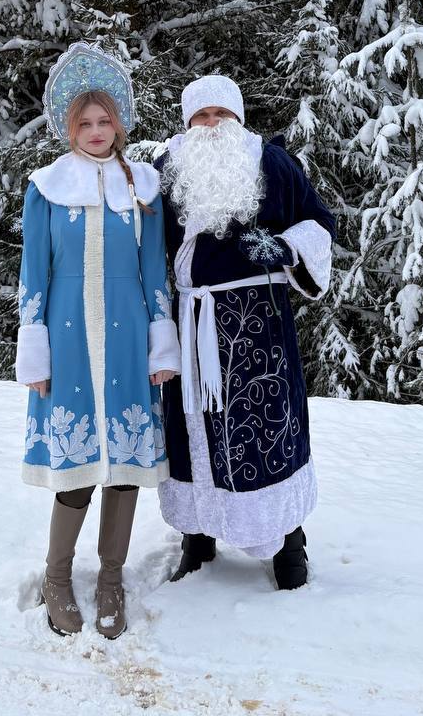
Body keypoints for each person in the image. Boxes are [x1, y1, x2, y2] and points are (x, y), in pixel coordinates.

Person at [15, 42, 179, 638]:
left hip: (129, 335)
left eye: (103, 120)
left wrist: (162, 345)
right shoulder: (46, 188)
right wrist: (34, 352)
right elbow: (33, 275)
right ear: (69, 128)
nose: (95, 131)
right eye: (84, 123)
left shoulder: (145, 189)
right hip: (66, 339)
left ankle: (111, 579)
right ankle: (57, 577)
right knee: (79, 467)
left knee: (125, 466)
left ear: (119, 123)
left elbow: (154, 272)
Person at [155, 74, 336, 590]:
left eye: (222, 114)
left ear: (238, 118)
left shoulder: (274, 164)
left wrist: (286, 248)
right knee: (191, 427)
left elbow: (320, 222)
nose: (212, 125)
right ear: (187, 123)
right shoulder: (166, 170)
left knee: (268, 429)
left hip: (260, 327)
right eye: (202, 115)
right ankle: (197, 537)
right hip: (192, 322)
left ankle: (288, 543)